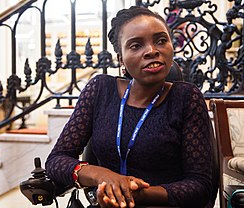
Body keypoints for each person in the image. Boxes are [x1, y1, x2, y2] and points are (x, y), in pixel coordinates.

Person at [45, 6, 216, 208]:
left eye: (161, 41)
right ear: (121, 59)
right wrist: (101, 176)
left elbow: (201, 184)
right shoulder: (99, 90)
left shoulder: (187, 98)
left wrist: (135, 195)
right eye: (136, 46)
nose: (152, 51)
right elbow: (56, 160)